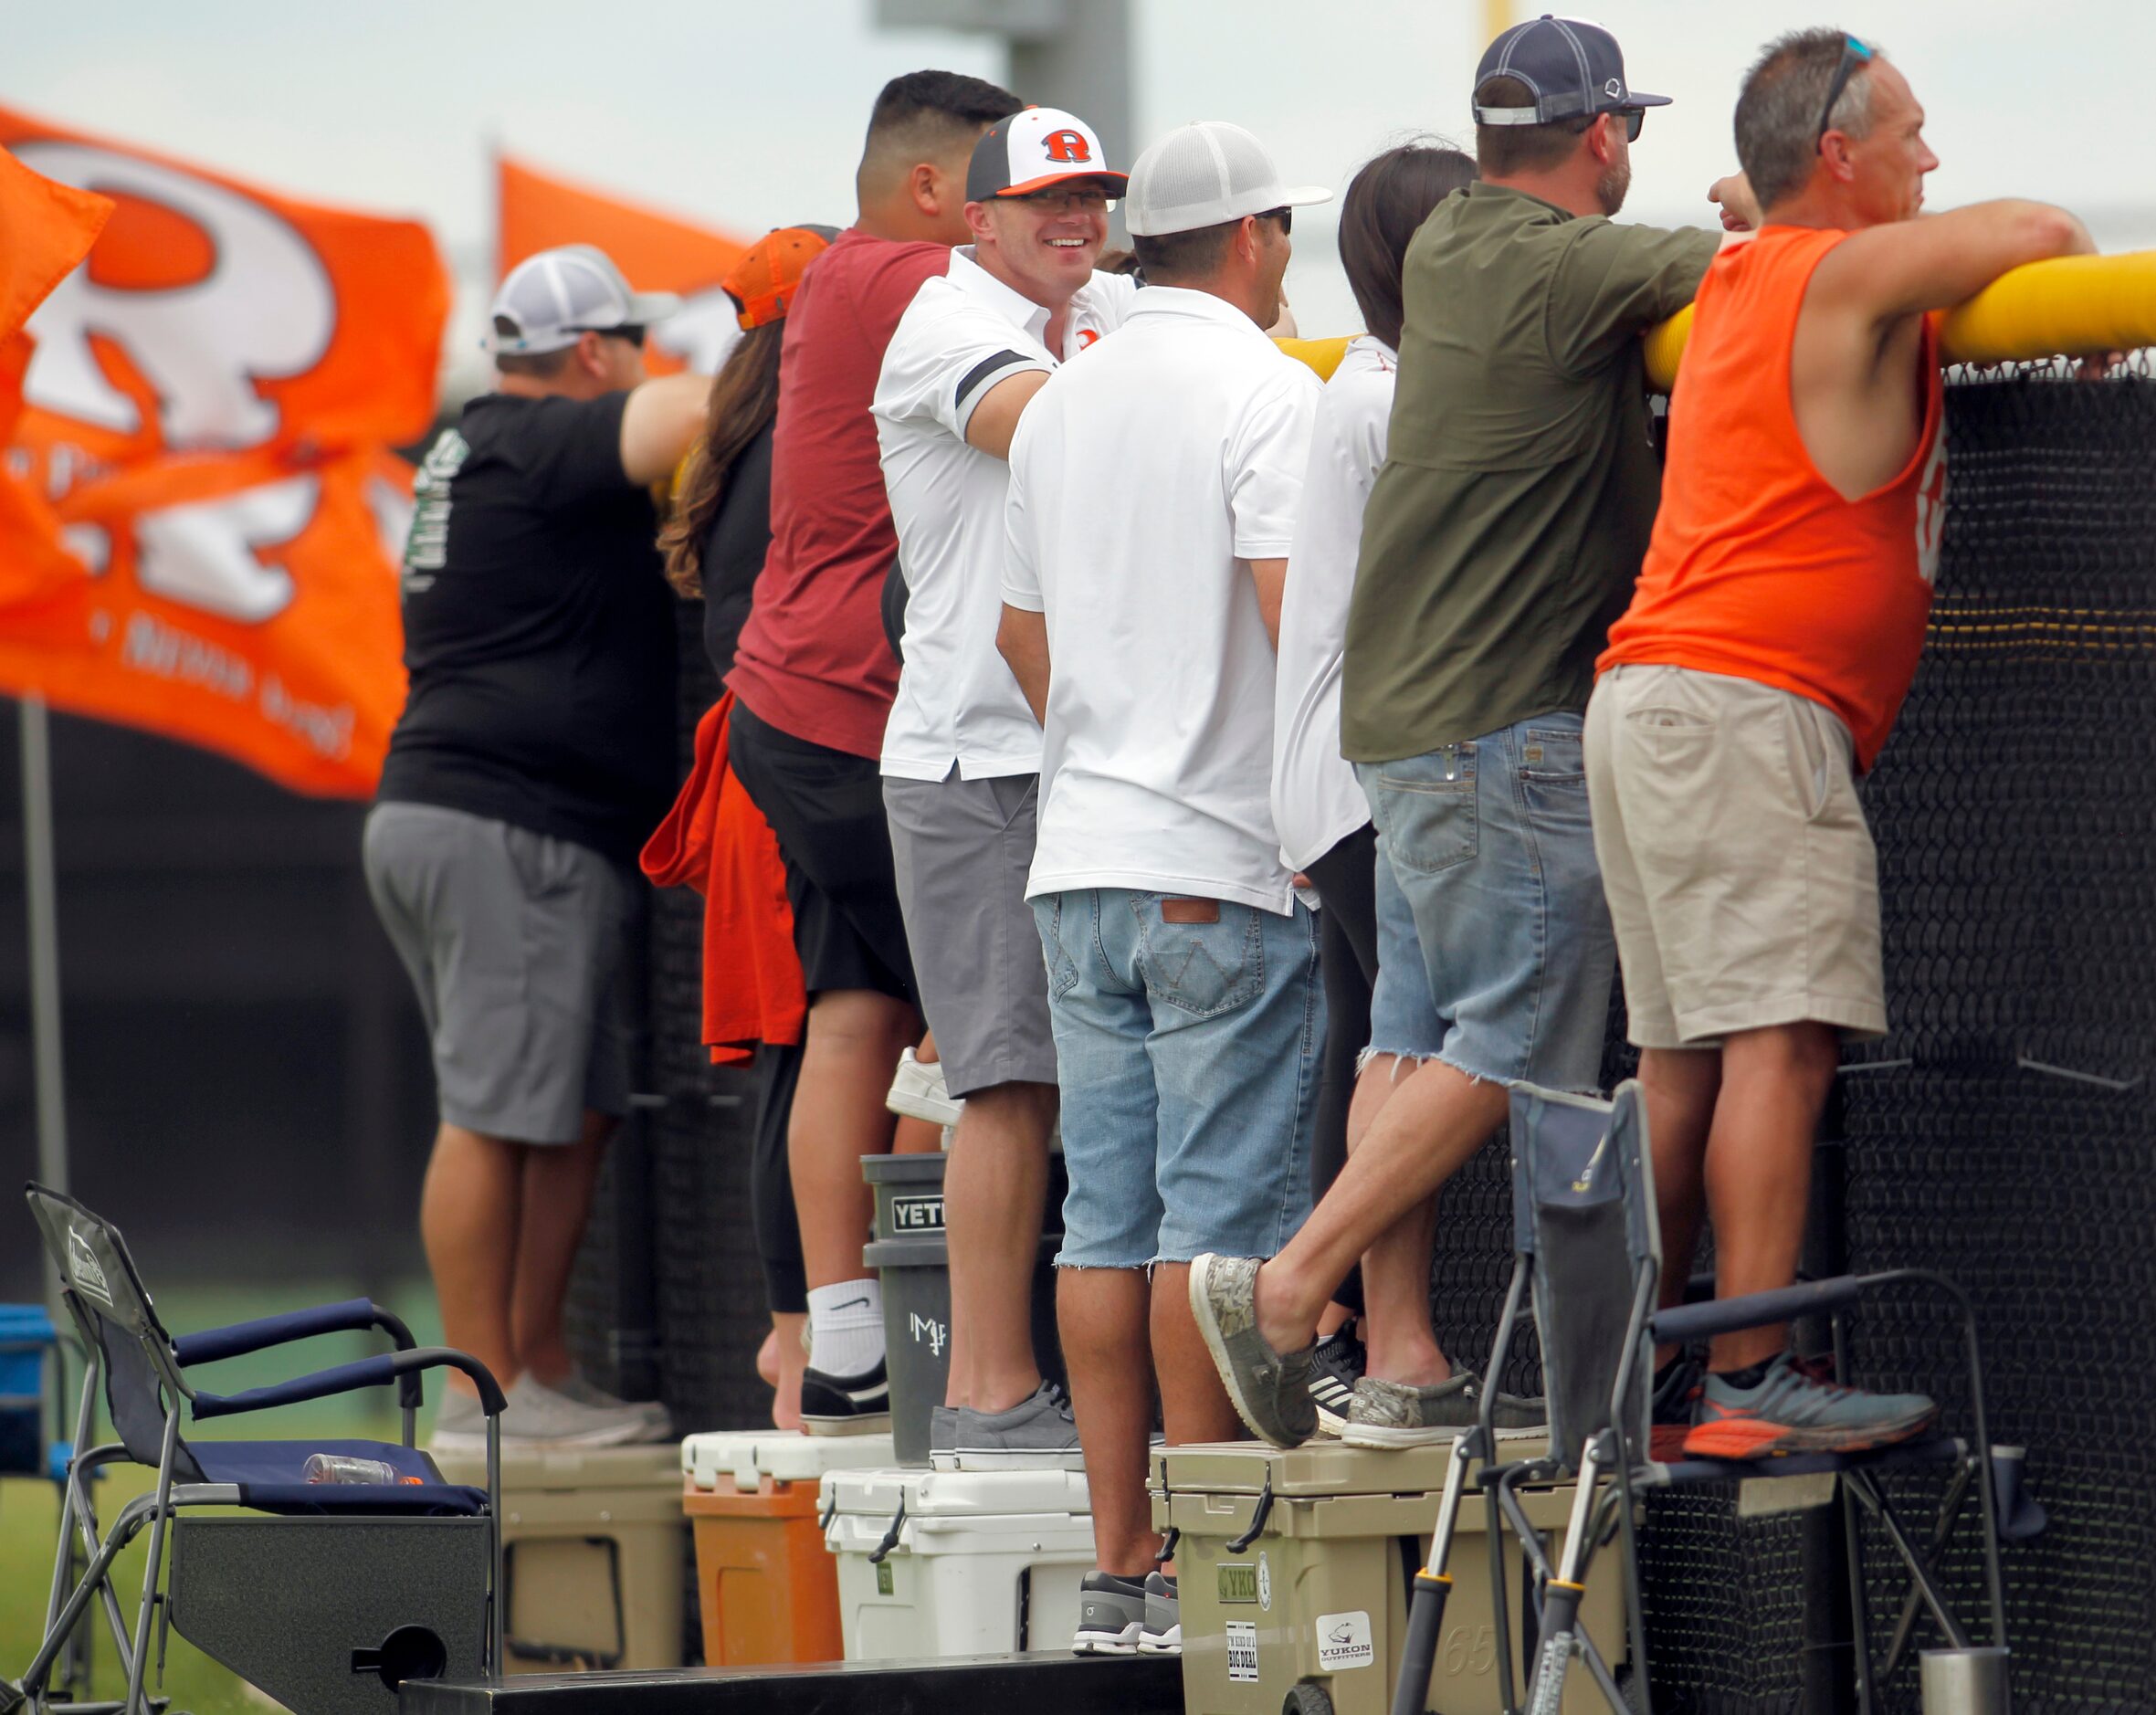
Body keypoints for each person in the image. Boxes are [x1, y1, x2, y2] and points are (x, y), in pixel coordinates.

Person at [1191, 16, 1725, 1450]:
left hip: (1395, 732)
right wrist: (1745, 220)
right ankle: (1294, 1283)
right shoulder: (1568, 262)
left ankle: (1403, 1350)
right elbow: (1754, 279)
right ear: (1604, 136)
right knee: (1518, 1045)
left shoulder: (1446, 249)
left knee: (1413, 1034)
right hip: (1501, 730)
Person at [1589, 30, 2093, 1457]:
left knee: (1682, 1060)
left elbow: (1764, 215)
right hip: (1746, 709)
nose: (1929, 162)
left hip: (1653, 702)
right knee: (1780, 1045)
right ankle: (1750, 1377)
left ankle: (1655, 1371)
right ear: (1837, 155)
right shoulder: (1839, 269)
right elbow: (2042, 229)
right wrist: (2026, 274)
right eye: (1912, 136)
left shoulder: (1746, 265)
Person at [997, 119, 1331, 1652]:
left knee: (1104, 1233)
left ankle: (1124, 1564)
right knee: (1215, 1239)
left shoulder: (1063, 401)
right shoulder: (1268, 390)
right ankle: (1206, 1573)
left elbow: (1018, 632)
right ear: (1255, 238)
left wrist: (1115, 734)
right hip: (1215, 864)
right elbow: (1294, 625)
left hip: (1080, 863)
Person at [365, 244, 710, 1451]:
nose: (645, 366)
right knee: (497, 1110)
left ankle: (537, 1364)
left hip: (474, 814)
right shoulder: (534, 433)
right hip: (504, 821)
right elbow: (688, 412)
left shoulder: (481, 444)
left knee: (571, 1109)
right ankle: (478, 1396)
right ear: (586, 356)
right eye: (632, 346)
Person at [723, 69, 1022, 1433]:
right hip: (858, 708)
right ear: (932, 188)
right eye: (1012, 185)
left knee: (857, 1013)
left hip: (797, 700)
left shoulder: (851, 275)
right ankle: (940, 1337)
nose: (1030, 214)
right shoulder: (914, 282)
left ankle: (845, 1339)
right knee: (981, 1033)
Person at [873, 108, 1137, 1468]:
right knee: (1005, 1083)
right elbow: (1034, 429)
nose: (1073, 219)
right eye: (1044, 200)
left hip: (1082, 752)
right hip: (975, 760)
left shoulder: (1109, 310)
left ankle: (1036, 1391)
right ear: (974, 219)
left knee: (1085, 1079)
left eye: (1090, 194)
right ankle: (982, 1391)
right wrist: (1191, 370)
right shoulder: (941, 318)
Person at [1269, 141, 1477, 1440]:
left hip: (1334, 770)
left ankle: (1370, 1334)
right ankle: (1354, 1322)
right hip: (1366, 770)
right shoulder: (1390, 395)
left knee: (1377, 1040)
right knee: (1416, 1052)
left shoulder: (1374, 384)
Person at [658, 224, 835, 1432]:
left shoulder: (747, 437)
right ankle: (801, 1339)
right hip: (788, 784)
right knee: (810, 1047)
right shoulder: (797, 447)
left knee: (800, 1055)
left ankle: (805, 1335)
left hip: (759, 780)